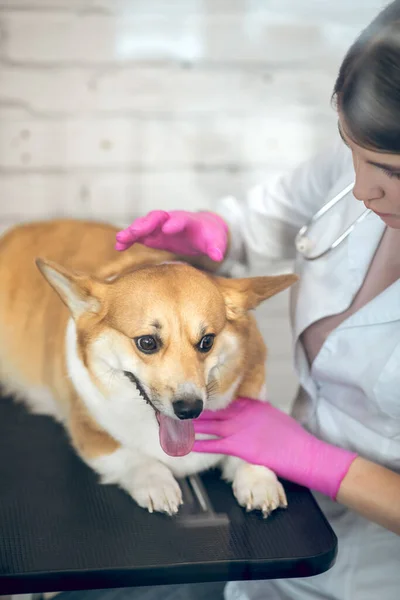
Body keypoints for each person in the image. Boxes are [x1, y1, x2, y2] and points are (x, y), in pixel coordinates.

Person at [59, 2, 400, 599]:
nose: (363, 188)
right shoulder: (357, 171)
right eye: (352, 152)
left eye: (390, 171)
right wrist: (213, 231)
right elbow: (264, 220)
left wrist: (324, 463)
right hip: (281, 518)